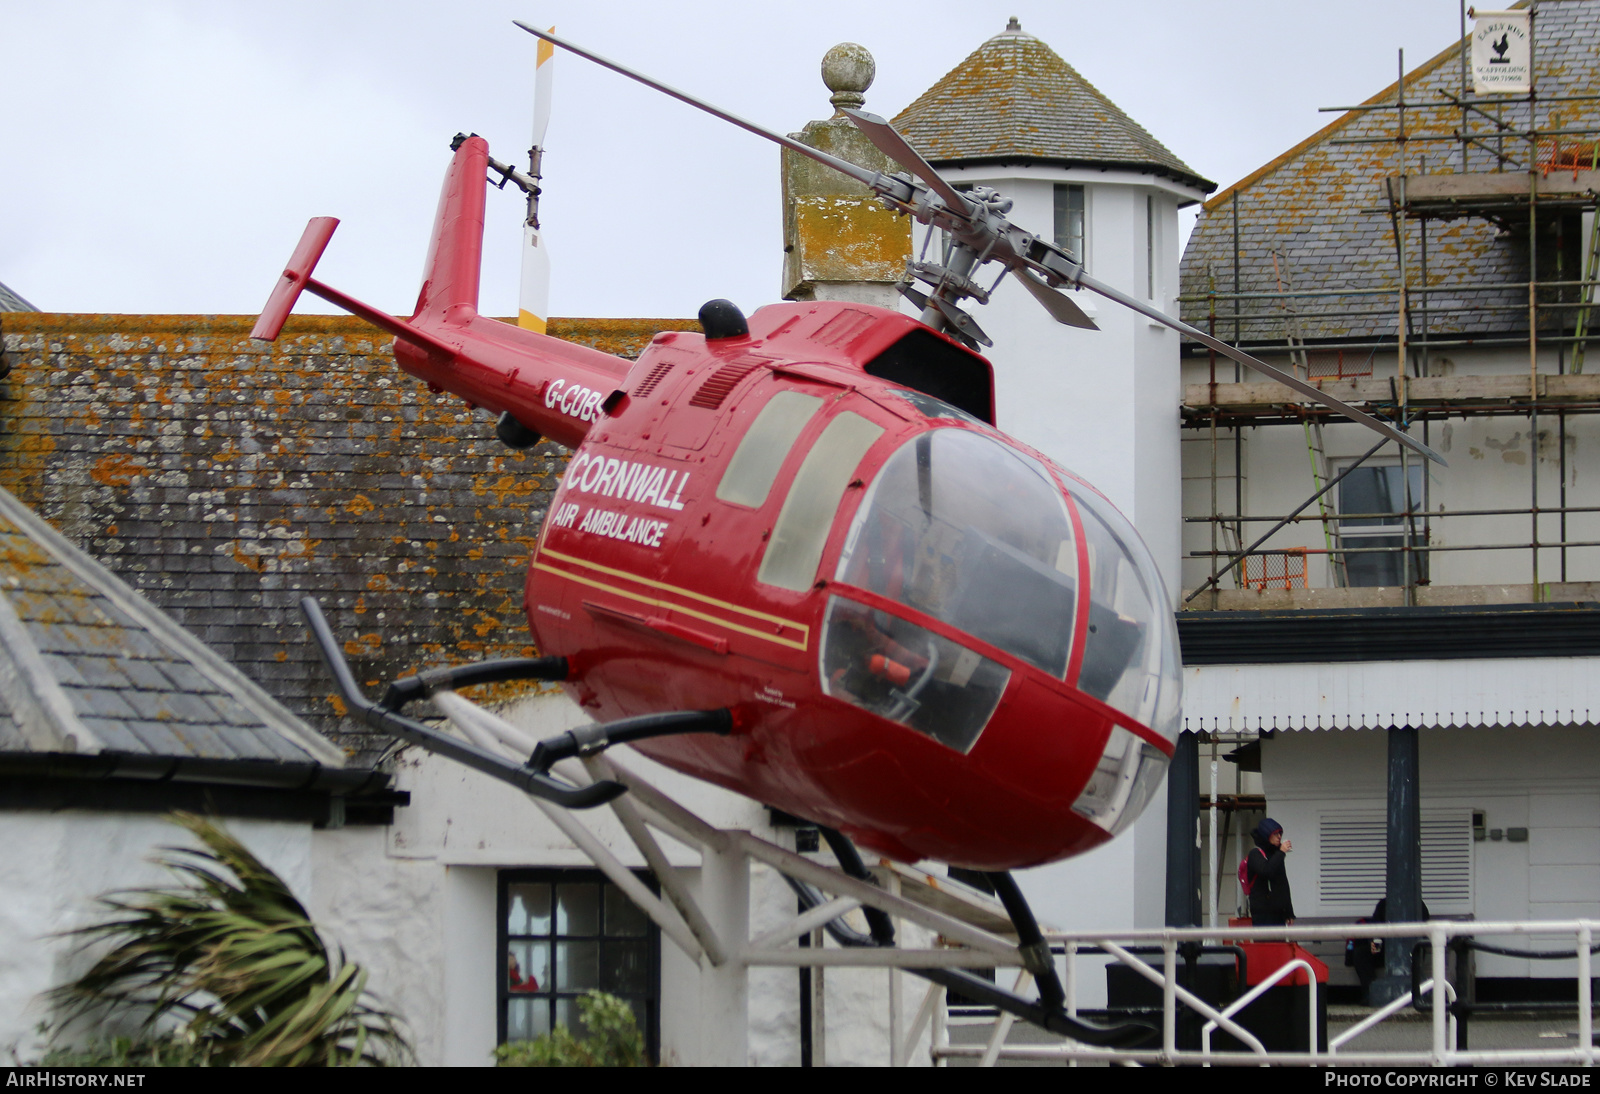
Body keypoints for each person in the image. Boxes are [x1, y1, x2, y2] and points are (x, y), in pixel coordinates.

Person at [1247, 817, 1295, 927]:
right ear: (1266, 835)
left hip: (1278, 912)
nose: (1279, 837)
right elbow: (1266, 870)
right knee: (1265, 943)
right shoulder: (1255, 854)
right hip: (1262, 913)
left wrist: (1289, 912)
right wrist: (1281, 852)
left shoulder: (1276, 855)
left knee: (1279, 943)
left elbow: (1283, 884)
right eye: (1275, 834)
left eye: (1280, 834)